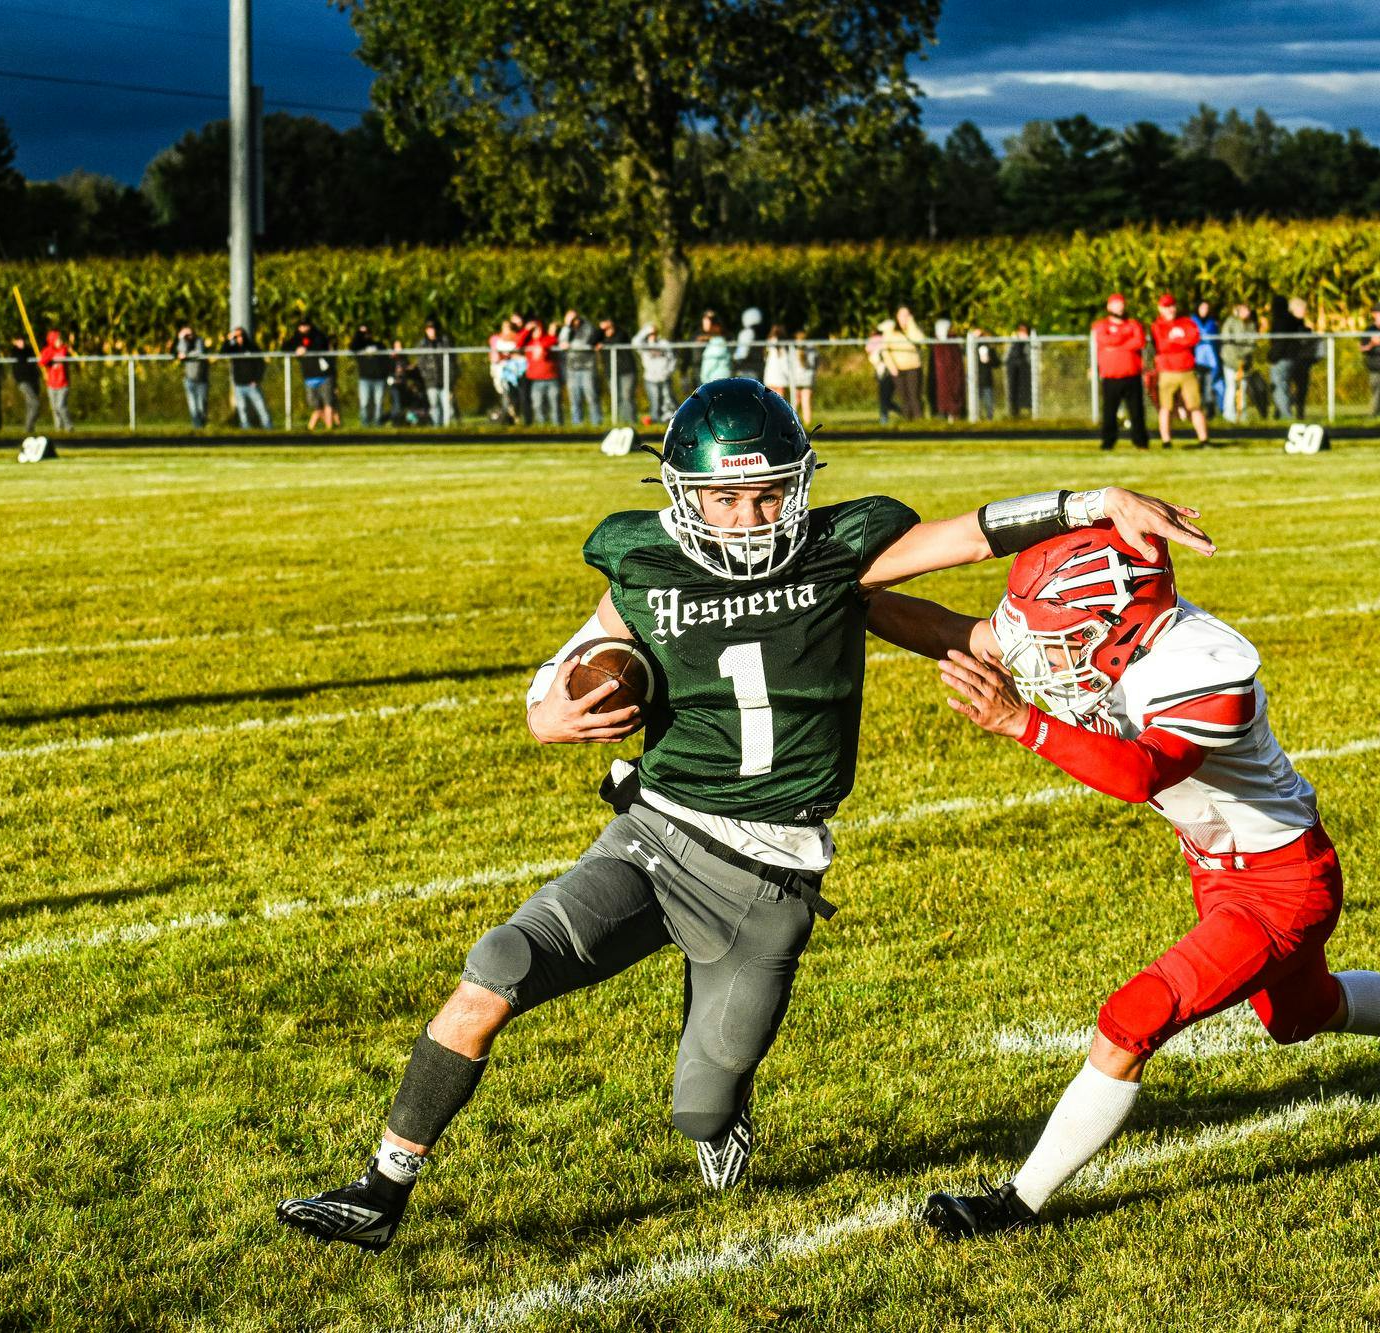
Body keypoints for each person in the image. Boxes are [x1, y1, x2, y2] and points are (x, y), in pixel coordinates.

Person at [273, 377, 1214, 1253]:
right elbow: (584, 653)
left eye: (766, 493)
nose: (748, 515)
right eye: (724, 498)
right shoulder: (640, 558)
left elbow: (969, 535)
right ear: (683, 494)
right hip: (655, 832)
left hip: (770, 874)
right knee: (498, 966)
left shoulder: (841, 548)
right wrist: (545, 710)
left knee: (700, 1105)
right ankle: (382, 1187)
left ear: (797, 486)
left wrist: (1096, 501)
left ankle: (722, 1108)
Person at [865, 525, 1380, 1240]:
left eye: (1060, 642)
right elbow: (958, 630)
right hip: (1217, 867)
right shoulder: (1103, 629)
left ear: (1121, 632)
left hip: (1283, 886)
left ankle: (1014, 1203)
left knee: (1131, 1019)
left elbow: (1140, 773)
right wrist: (849, 599)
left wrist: (1024, 723)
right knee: (1301, 1015)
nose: (1042, 658)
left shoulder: (1206, 672)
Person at [1152, 294, 1210, 447]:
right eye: (1166, 307)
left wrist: (1175, 342)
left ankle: (1204, 440)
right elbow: (1163, 345)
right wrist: (1180, 342)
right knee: (1166, 407)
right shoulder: (1157, 325)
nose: (1170, 309)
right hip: (1167, 371)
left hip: (1186, 370)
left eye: (1172, 306)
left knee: (1195, 406)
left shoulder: (1186, 322)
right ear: (1160, 308)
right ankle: (1166, 441)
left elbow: (1194, 337)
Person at [1091, 294, 1148, 451]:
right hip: (1111, 376)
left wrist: (1116, 344)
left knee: (1136, 411)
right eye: (1116, 304)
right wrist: (1124, 338)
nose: (1120, 307)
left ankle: (1141, 442)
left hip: (1131, 375)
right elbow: (1104, 340)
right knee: (1109, 412)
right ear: (1109, 307)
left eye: (1122, 304)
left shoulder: (1133, 324)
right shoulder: (1101, 325)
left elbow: (1139, 341)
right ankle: (1108, 442)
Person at [284, 319, 339, 431]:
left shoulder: (318, 336)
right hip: (309, 377)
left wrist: (306, 349)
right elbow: (284, 347)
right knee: (315, 406)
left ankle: (328, 428)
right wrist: (296, 349)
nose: (303, 329)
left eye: (306, 326)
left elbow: (320, 345)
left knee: (328, 402)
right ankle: (333, 424)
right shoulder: (297, 338)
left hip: (324, 376)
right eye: (301, 326)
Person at [223, 327, 272, 428]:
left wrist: (257, 379)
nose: (239, 338)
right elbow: (222, 352)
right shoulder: (234, 349)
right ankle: (246, 427)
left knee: (261, 406)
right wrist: (228, 339)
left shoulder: (252, 347)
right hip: (239, 384)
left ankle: (268, 426)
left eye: (240, 335)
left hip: (251, 384)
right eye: (236, 336)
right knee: (242, 408)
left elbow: (260, 364)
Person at [561, 310, 603, 426]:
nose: (572, 322)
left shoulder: (587, 327)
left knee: (591, 396)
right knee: (574, 398)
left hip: (587, 368)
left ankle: (596, 423)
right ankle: (577, 424)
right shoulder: (567, 330)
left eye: (573, 319)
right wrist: (567, 326)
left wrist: (571, 346)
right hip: (571, 368)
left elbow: (587, 343)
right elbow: (562, 341)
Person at [1217, 302, 1257, 423]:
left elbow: (1252, 343)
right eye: (1243, 310)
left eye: (1247, 310)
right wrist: (1235, 355)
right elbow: (1227, 340)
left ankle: (1241, 414)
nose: (1246, 312)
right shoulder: (1230, 322)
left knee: (1243, 387)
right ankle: (1229, 414)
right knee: (1231, 386)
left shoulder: (1251, 324)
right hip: (1230, 360)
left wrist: (1243, 355)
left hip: (1244, 362)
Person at [348, 324, 390, 428]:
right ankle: (365, 424)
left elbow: (386, 360)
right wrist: (359, 333)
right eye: (363, 334)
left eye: (367, 333)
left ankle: (377, 423)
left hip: (379, 378)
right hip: (365, 379)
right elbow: (352, 347)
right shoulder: (359, 346)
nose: (366, 335)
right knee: (364, 402)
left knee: (378, 402)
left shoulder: (379, 345)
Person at [633, 322, 678, 421]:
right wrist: (647, 329)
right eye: (650, 334)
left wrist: (668, 371)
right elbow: (635, 342)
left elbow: (673, 358)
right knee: (655, 400)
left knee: (668, 399)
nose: (652, 336)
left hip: (664, 377)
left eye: (653, 334)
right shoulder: (644, 346)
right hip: (651, 378)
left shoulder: (663, 344)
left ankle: (670, 420)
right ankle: (655, 419)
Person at [523, 316, 563, 424]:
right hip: (535, 380)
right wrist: (526, 329)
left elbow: (553, 340)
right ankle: (542, 429)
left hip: (551, 378)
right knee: (537, 405)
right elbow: (518, 343)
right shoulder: (529, 343)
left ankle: (558, 428)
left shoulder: (547, 338)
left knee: (554, 404)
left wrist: (541, 345)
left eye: (537, 328)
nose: (536, 331)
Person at [889, 307, 926, 419]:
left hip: (913, 367)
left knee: (914, 396)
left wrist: (911, 325)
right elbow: (886, 350)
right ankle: (906, 421)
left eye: (907, 315)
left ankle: (919, 420)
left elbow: (920, 340)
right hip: (898, 368)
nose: (904, 318)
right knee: (904, 397)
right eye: (901, 315)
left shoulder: (914, 329)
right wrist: (892, 366)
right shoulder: (891, 331)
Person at [416, 321, 454, 427]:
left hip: (444, 380)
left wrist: (450, 379)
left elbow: (450, 362)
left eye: (433, 328)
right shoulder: (422, 344)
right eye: (429, 329)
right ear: (426, 331)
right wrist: (426, 376)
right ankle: (436, 428)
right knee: (434, 405)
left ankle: (447, 428)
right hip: (431, 381)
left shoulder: (443, 342)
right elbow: (421, 363)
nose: (432, 331)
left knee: (448, 406)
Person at [597, 317, 636, 420]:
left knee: (626, 396)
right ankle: (620, 420)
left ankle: (630, 421)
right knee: (616, 397)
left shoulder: (621, 333)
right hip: (611, 371)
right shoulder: (600, 336)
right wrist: (600, 331)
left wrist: (604, 344)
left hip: (626, 370)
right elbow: (591, 341)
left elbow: (617, 341)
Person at [490, 317, 527, 424]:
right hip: (503, 372)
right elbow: (496, 354)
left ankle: (518, 417)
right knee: (506, 396)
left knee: (517, 396)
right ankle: (508, 418)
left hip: (515, 372)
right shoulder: (497, 339)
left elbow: (516, 349)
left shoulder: (516, 338)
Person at [175, 325, 211, 429]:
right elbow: (181, 351)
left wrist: (187, 355)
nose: (188, 336)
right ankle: (197, 428)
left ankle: (202, 426)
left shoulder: (199, 340)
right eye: (186, 334)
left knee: (202, 405)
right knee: (193, 407)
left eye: (189, 333)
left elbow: (200, 352)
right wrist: (182, 339)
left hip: (202, 380)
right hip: (189, 380)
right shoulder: (183, 343)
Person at [931, 317, 966, 421]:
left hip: (952, 373)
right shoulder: (938, 343)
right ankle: (945, 414)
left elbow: (955, 359)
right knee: (944, 394)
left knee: (953, 392)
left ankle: (953, 415)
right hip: (941, 374)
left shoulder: (952, 341)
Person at [1190, 300, 1220, 415]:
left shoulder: (1212, 323)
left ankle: (1209, 412)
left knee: (1209, 387)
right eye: (1202, 308)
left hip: (1210, 361)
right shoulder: (1192, 321)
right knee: (1197, 386)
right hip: (1197, 360)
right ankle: (1196, 411)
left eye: (1207, 308)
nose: (1204, 311)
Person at [8, 334, 42, 434]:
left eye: (22, 340)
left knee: (30, 404)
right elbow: (20, 357)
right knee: (35, 404)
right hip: (23, 381)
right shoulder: (15, 351)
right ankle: (28, 427)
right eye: (18, 340)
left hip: (33, 380)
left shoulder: (29, 350)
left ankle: (29, 429)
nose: (21, 342)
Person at [868, 322, 898, 424]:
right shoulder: (881, 340)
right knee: (884, 398)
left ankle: (887, 417)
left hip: (887, 371)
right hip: (881, 371)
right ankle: (886, 416)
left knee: (884, 398)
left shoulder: (887, 340)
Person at [787, 330, 817, 426]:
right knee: (806, 402)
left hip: (796, 380)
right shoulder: (812, 351)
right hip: (807, 379)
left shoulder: (793, 350)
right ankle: (808, 424)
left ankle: (793, 422)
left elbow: (789, 365)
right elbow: (815, 364)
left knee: (795, 403)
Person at [696, 312, 733, 388]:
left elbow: (710, 364)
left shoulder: (717, 343)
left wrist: (703, 378)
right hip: (718, 380)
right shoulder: (718, 342)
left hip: (715, 381)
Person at [1005, 323, 1034, 419]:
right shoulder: (1013, 340)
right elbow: (1007, 354)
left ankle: (1028, 411)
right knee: (1012, 390)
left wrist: (1026, 340)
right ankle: (1013, 411)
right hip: (1013, 369)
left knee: (1025, 390)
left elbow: (1030, 354)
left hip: (1024, 370)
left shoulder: (1029, 341)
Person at [971, 326, 999, 422]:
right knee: (975, 401)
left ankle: (989, 418)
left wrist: (989, 360)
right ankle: (976, 418)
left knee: (988, 400)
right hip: (974, 378)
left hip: (986, 378)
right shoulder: (973, 348)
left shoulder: (989, 348)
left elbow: (996, 363)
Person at [733, 306, 765, 380]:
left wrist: (735, 360)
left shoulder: (747, 332)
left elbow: (741, 353)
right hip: (757, 367)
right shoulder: (760, 332)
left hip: (746, 369)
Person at [762, 325, 791, 401]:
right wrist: (788, 375)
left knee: (769, 399)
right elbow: (785, 363)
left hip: (770, 374)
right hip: (780, 375)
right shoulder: (783, 346)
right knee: (780, 401)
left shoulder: (768, 344)